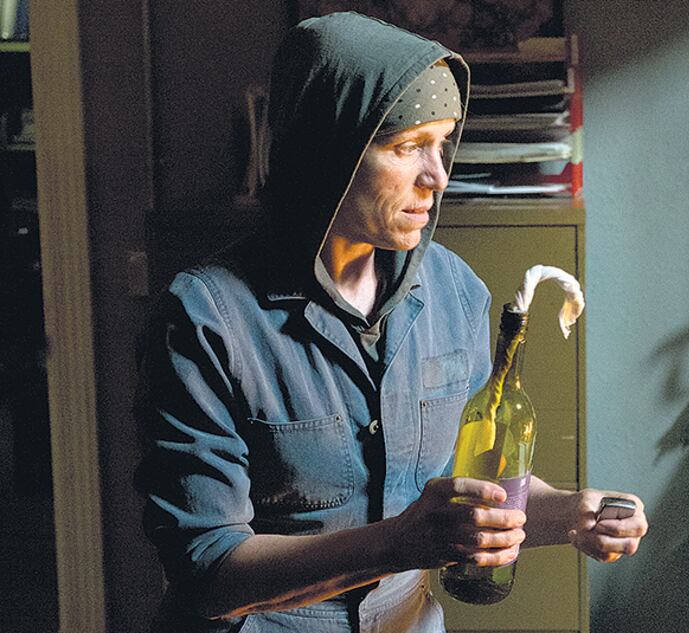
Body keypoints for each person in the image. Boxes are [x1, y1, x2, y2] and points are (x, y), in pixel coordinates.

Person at [135, 12, 648, 633]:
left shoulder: (455, 290)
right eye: (408, 147)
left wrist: (570, 513)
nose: (438, 176)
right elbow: (207, 572)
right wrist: (399, 544)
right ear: (331, 151)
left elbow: (461, 484)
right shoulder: (204, 320)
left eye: (443, 143)